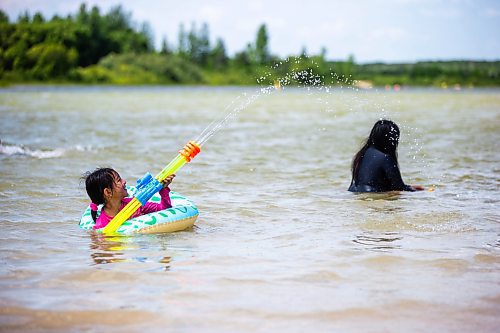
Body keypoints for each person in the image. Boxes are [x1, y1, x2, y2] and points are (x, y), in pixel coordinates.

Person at [83, 167, 175, 229]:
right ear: (108, 192)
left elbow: (164, 210)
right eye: (119, 180)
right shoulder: (102, 225)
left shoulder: (134, 204)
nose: (124, 181)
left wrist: (163, 189)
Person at [348, 119, 424, 193]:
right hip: (372, 195)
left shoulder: (363, 153)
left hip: (354, 192)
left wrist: (409, 187)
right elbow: (399, 187)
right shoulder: (386, 158)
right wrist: (417, 190)